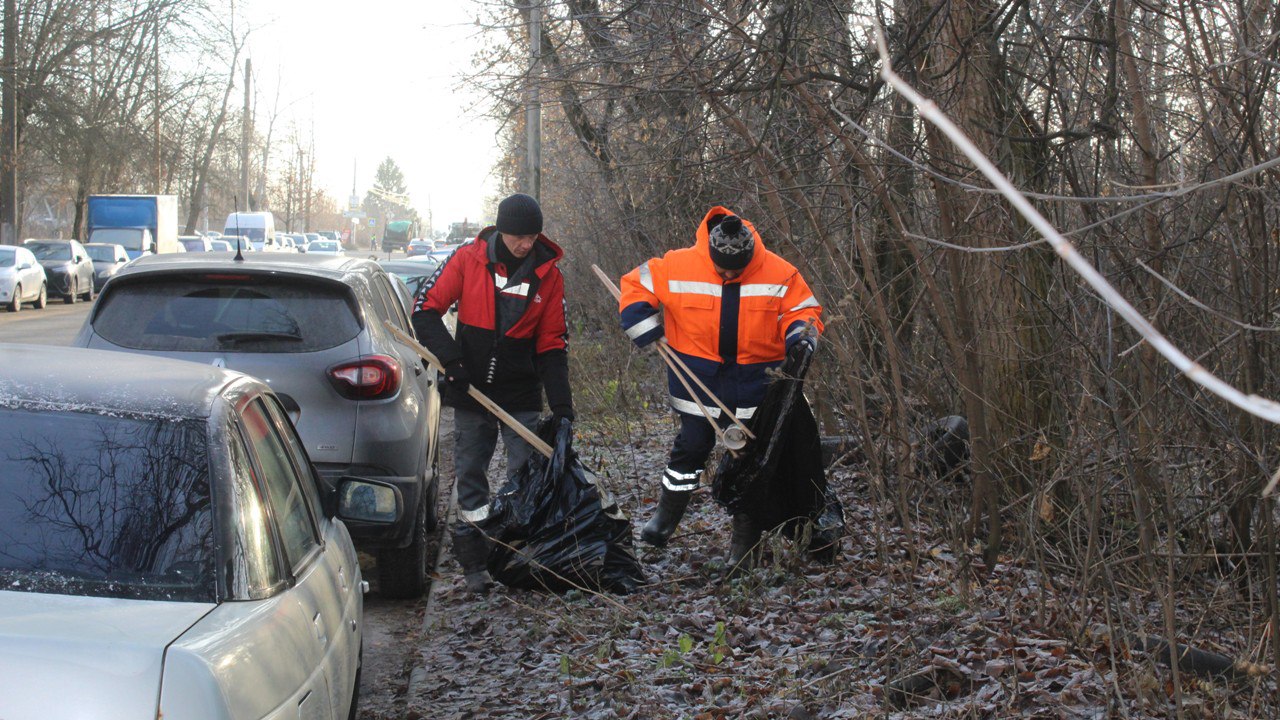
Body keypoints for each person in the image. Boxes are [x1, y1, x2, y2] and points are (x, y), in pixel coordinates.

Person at [618, 206, 823, 568]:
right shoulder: (676, 264)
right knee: (691, 447)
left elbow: (803, 312)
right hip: (695, 378)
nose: (729, 274)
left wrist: (801, 338)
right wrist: (642, 323)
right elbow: (634, 286)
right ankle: (664, 521)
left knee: (749, 461)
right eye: (722, 269)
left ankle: (744, 547)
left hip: (756, 382)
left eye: (736, 270)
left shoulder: (780, 272)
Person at [411, 193, 574, 593]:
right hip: (470, 389)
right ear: (502, 231)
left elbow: (552, 344)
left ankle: (516, 557)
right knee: (470, 477)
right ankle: (475, 565)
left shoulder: (548, 275)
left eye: (532, 236)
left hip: (520, 392)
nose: (525, 244)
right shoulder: (469, 259)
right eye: (519, 236)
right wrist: (452, 362)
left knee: (525, 474)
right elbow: (425, 310)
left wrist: (562, 405)